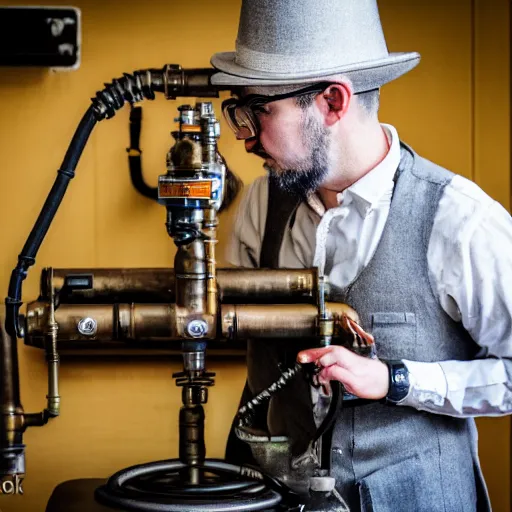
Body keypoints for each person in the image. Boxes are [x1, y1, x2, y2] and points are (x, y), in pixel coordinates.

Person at [209, 1, 512, 510]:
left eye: (258, 111)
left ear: (332, 102)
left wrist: (397, 380)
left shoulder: (461, 220)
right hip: (276, 497)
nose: (243, 138)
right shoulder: (263, 201)